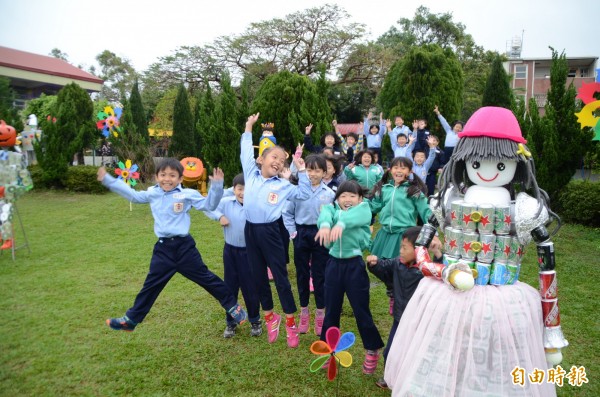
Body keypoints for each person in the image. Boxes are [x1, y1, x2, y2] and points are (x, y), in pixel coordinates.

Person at [384, 107, 566, 396]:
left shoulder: (525, 208)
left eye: (501, 164)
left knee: (498, 352)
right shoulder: (447, 200)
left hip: (504, 295)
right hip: (449, 292)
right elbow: (420, 249)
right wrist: (440, 271)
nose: (489, 171)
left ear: (517, 163)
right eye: (478, 162)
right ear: (465, 160)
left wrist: (552, 328)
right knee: (446, 348)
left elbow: (548, 265)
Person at [97, 158, 248, 332]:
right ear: (156, 177)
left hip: (184, 248)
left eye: (172, 175)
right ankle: (131, 320)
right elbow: (133, 196)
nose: (167, 179)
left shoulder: (186, 195)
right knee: (151, 285)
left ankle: (232, 306)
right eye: (163, 175)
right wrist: (108, 180)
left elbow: (209, 205)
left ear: (180, 179)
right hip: (163, 250)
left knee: (206, 278)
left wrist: (216, 187)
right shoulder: (152, 193)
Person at [241, 113, 312, 348]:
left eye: (282, 160)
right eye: (274, 156)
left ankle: (290, 322)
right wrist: (249, 127)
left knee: (280, 278)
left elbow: (304, 194)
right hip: (250, 231)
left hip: (271, 232)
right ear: (260, 160)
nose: (278, 161)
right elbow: (244, 151)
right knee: (258, 276)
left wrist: (301, 172)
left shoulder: (283, 185)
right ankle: (271, 317)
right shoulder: (250, 175)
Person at [316, 180, 385, 375]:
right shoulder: (331, 209)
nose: (347, 199)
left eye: (352, 196)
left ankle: (372, 349)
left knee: (361, 311)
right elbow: (325, 214)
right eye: (343, 196)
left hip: (354, 267)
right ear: (337, 198)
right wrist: (324, 225)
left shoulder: (363, 210)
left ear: (360, 198)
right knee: (331, 312)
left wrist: (342, 223)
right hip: (332, 266)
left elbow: (360, 215)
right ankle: (328, 350)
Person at [366, 226, 443, 389]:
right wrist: (374, 264)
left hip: (420, 320)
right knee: (391, 351)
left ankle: (414, 380)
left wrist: (438, 255)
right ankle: (389, 377)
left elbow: (441, 273)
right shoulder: (398, 263)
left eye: (404, 247)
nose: (400, 250)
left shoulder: (426, 270)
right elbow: (384, 267)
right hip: (400, 318)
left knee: (416, 353)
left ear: (418, 250)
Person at [369, 155, 432, 314]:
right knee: (378, 265)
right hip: (385, 235)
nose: (398, 170)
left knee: (400, 267)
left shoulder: (414, 191)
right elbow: (372, 207)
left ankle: (398, 296)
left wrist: (432, 232)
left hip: (403, 235)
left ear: (409, 171)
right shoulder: (384, 189)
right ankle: (392, 291)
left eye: (403, 168)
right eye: (396, 167)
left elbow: (426, 212)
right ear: (390, 170)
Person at [204, 173, 262, 338]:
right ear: (234, 189)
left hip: (250, 253)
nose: (243, 192)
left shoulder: (256, 205)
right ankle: (231, 323)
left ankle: (255, 321)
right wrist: (219, 216)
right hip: (230, 251)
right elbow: (209, 207)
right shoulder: (226, 203)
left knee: (250, 288)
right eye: (239, 189)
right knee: (230, 287)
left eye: (246, 189)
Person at [283, 154, 335, 336]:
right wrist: (293, 233)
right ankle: (304, 311)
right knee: (302, 273)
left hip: (321, 235)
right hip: (301, 234)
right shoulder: (296, 192)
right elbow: (287, 213)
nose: (313, 174)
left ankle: (320, 313)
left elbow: (334, 217)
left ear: (324, 172)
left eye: (317, 170)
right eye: (310, 169)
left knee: (320, 275)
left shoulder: (329, 194)